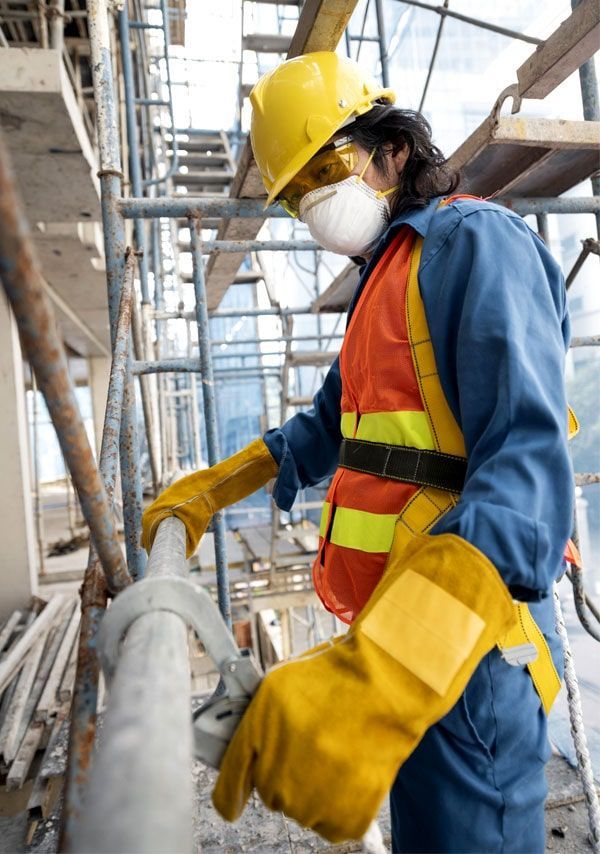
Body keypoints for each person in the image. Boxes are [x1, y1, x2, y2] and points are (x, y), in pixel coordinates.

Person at [142, 52, 574, 853]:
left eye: (326, 168)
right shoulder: (388, 278)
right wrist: (213, 489)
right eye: (298, 190)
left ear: (392, 150)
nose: (314, 202)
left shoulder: (476, 245)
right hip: (399, 633)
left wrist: (378, 672)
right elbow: (327, 426)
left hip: (463, 649)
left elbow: (526, 486)